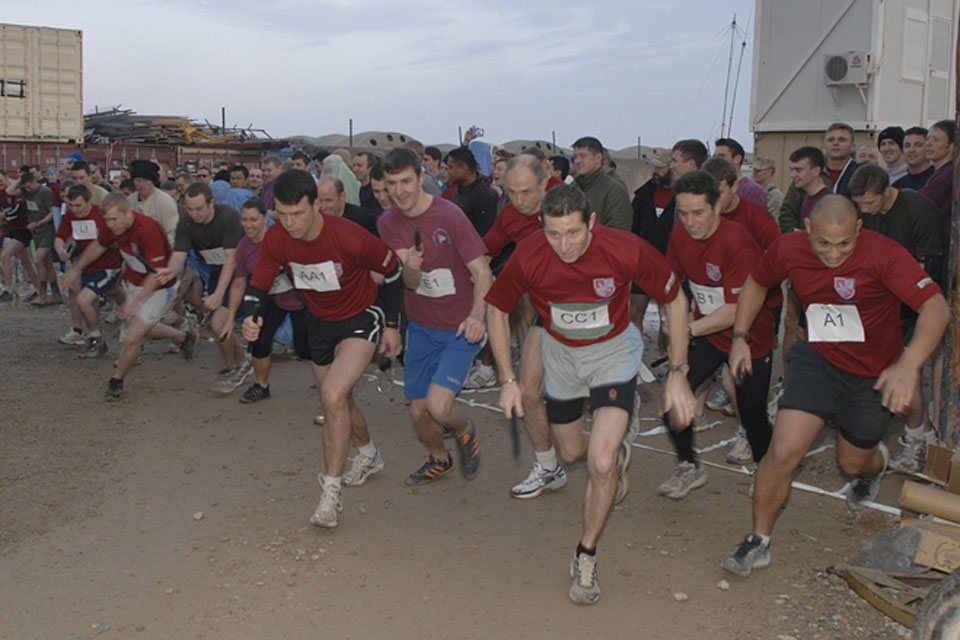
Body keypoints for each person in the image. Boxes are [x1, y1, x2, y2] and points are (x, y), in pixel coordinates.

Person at [486, 184, 695, 604]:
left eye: (574, 233)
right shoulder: (529, 254)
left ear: (592, 224)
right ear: (541, 227)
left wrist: (678, 371)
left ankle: (586, 555)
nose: (564, 245)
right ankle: (613, 453)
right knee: (570, 454)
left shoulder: (626, 249)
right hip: (561, 355)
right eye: (554, 234)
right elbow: (496, 308)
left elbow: (674, 298)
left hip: (613, 353)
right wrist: (507, 379)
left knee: (599, 464)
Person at [720, 195, 949, 577]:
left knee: (852, 462)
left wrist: (908, 365)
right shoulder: (788, 248)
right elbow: (757, 283)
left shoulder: (885, 255)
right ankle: (758, 541)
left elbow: (936, 306)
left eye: (845, 243)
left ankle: (874, 467)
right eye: (823, 243)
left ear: (859, 228)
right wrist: (739, 336)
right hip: (818, 362)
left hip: (874, 375)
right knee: (783, 449)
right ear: (808, 228)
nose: (833, 253)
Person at [241, 169, 403, 529]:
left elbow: (394, 270)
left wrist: (393, 325)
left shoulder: (349, 236)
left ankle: (330, 493)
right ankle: (369, 454)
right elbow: (261, 281)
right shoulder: (278, 238)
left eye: (298, 213)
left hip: (361, 316)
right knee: (338, 401)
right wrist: (251, 316)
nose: (290, 222)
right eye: (282, 215)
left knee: (331, 394)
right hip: (320, 322)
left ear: (317, 205)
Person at [657, 169, 776, 500]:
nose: (690, 222)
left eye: (698, 213)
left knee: (752, 416)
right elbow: (671, 286)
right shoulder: (680, 237)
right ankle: (690, 466)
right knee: (672, 401)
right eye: (683, 213)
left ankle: (766, 470)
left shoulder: (737, 241)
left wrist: (686, 329)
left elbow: (737, 310)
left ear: (717, 207)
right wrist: (669, 319)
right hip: (708, 335)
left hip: (749, 337)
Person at [377, 147, 490, 486]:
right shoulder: (388, 222)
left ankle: (465, 428)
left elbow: (483, 273)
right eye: (392, 183)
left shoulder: (450, 215)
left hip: (459, 327)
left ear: (421, 178)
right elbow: (408, 283)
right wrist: (410, 266)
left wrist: (476, 317)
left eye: (406, 181)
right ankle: (440, 459)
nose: (399, 191)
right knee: (418, 412)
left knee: (439, 407)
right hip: (422, 327)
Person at [482, 155, 568, 498]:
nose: (519, 200)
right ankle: (549, 466)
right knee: (528, 390)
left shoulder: (567, 206)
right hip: (544, 313)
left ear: (546, 183)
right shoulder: (510, 216)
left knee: (580, 399)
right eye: (511, 192)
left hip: (586, 314)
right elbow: (484, 250)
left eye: (526, 192)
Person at [849, 164, 944, 473]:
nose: (865, 210)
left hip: (919, 303)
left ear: (886, 192)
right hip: (885, 304)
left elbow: (929, 267)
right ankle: (919, 435)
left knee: (909, 372)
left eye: (870, 203)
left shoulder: (917, 209)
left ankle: (921, 438)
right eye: (860, 204)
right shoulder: (869, 217)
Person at [64, 193, 198, 401]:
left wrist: (132, 302)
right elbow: (98, 246)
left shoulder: (148, 229)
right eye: (106, 220)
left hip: (161, 286)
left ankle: (116, 381)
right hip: (137, 284)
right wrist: (76, 269)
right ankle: (182, 336)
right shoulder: (113, 228)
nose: (110, 225)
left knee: (133, 335)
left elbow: (156, 274)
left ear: (128, 213)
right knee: (139, 328)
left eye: (114, 219)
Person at [699, 157, 782, 465]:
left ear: (735, 185)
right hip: (716, 308)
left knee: (741, 379)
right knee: (728, 380)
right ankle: (749, 428)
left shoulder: (757, 217)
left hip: (759, 309)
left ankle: (753, 431)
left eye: (718, 191)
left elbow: (777, 260)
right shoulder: (700, 216)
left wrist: (747, 282)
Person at [155, 182, 247, 392]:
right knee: (218, 324)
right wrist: (170, 270)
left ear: (211, 203)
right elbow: (179, 257)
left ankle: (240, 365)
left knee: (219, 323)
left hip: (242, 271)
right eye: (189, 209)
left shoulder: (227, 216)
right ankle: (237, 364)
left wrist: (219, 293)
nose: (194, 214)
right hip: (217, 271)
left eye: (199, 209)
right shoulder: (186, 223)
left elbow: (232, 260)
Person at [225, 197, 309, 403]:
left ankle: (334, 388)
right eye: (244, 220)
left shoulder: (281, 237)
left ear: (265, 218)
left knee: (307, 348)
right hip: (270, 299)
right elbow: (239, 282)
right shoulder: (244, 247)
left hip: (301, 297)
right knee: (258, 341)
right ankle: (262, 386)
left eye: (253, 219)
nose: (248, 225)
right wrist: (230, 317)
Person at [54, 184, 124, 356]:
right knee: (89, 301)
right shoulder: (71, 216)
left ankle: (97, 338)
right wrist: (61, 250)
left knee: (84, 300)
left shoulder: (101, 215)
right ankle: (93, 336)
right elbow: (60, 237)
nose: (75, 209)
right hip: (87, 266)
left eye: (79, 205)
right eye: (71, 205)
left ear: (89, 202)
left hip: (107, 265)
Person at [13, 172, 60, 305]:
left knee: (38, 259)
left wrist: (39, 223)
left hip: (46, 229)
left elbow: (52, 212)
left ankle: (43, 293)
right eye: (25, 188)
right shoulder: (27, 192)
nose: (28, 190)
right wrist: (19, 179)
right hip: (36, 231)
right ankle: (56, 293)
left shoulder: (45, 192)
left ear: (35, 181)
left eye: (30, 187)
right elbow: (10, 191)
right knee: (47, 264)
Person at [572, 136, 632, 230]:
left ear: (598, 158)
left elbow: (618, 232)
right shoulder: (570, 189)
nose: (577, 161)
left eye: (583, 156)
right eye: (575, 157)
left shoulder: (615, 191)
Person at [0, 169, 41, 302]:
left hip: (23, 229)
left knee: (5, 255)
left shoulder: (17, 191)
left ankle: (8, 289)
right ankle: (39, 289)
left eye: (1, 180)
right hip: (13, 229)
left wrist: (4, 216)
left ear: (7, 178)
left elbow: (18, 209)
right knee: (26, 261)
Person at [448, 147, 498, 237]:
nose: (449, 172)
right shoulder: (458, 191)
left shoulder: (484, 196)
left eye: (451, 168)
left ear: (463, 168)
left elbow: (484, 234)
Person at [127, 160, 179, 244]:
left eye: (146, 180)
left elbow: (171, 233)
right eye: (138, 180)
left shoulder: (165, 201)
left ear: (153, 181)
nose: (142, 185)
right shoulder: (129, 201)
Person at [714, 138, 766, 206]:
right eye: (715, 157)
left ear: (737, 159)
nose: (716, 161)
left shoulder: (752, 190)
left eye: (722, 156)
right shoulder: (713, 188)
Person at [824, 122, 859, 197]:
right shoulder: (813, 172)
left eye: (842, 140)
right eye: (831, 140)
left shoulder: (861, 174)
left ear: (852, 147)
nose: (835, 143)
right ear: (825, 145)